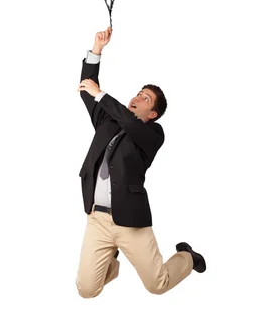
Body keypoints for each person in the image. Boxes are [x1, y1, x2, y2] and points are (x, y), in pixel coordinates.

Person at [76, 27, 206, 298]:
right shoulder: (108, 120)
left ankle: (188, 257)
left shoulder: (151, 135)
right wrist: (96, 51)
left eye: (145, 98)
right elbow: (88, 90)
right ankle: (108, 260)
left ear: (153, 113)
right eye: (138, 93)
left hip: (130, 221)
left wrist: (103, 95)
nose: (137, 98)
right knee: (87, 289)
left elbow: (127, 120)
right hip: (97, 217)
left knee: (157, 285)